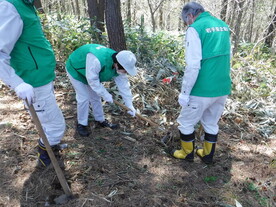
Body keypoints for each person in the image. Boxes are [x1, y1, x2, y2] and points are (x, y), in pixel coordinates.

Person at [0, 0, 66, 167]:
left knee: (48, 120)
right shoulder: (9, 7)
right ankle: (45, 156)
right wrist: (17, 83)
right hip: (33, 82)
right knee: (56, 125)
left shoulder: (25, 4)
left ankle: (51, 144)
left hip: (41, 77)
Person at [171, 2, 231, 164]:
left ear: (190, 16)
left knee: (185, 123)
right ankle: (207, 154)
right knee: (211, 122)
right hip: (222, 86)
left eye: (186, 21)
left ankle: (187, 153)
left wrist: (184, 93)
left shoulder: (195, 29)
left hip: (202, 88)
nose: (187, 24)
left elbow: (193, 65)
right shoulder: (223, 25)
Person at [65, 44, 137, 137]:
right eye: (125, 70)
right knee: (84, 97)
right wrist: (105, 94)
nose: (126, 72)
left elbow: (124, 86)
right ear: (117, 64)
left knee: (95, 96)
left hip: (90, 73)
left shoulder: (119, 65)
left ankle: (100, 120)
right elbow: (92, 81)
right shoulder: (97, 60)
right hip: (76, 69)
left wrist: (129, 105)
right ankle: (81, 124)